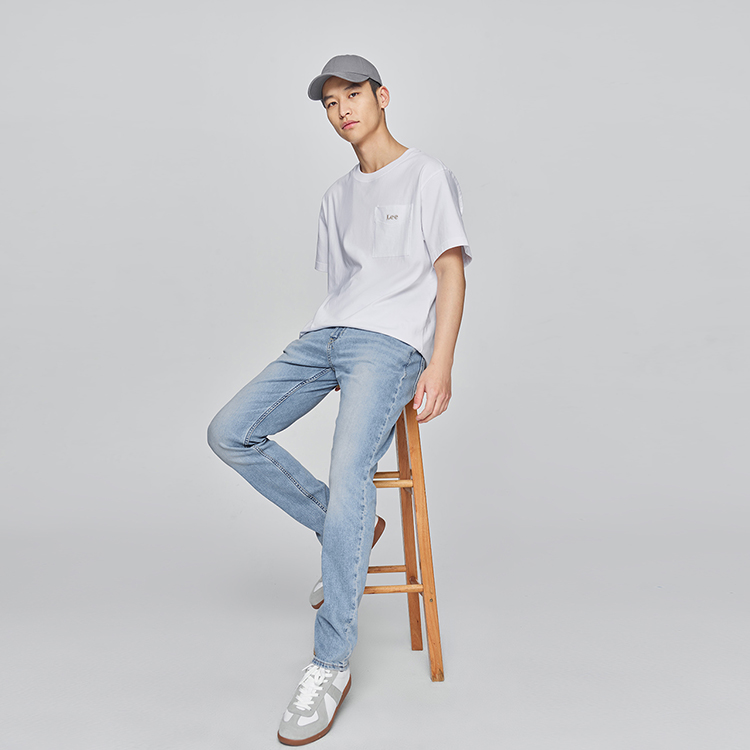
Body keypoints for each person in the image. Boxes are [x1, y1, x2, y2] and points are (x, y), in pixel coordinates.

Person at [207, 54, 472, 745]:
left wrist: (441, 362)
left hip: (392, 347)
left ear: (381, 96)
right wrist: (329, 334)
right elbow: (347, 287)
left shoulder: (428, 176)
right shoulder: (335, 196)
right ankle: (343, 527)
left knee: (352, 468)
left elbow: (449, 272)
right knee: (230, 431)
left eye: (352, 94)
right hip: (328, 335)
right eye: (330, 103)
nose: (342, 110)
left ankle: (329, 664)